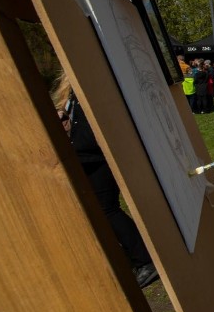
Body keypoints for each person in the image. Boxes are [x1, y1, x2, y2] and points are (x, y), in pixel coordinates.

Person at [52, 73, 159, 288]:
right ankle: (139, 258)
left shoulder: (90, 87)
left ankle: (145, 260)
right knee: (102, 211)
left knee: (107, 210)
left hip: (94, 157)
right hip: (85, 156)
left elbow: (92, 133)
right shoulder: (73, 94)